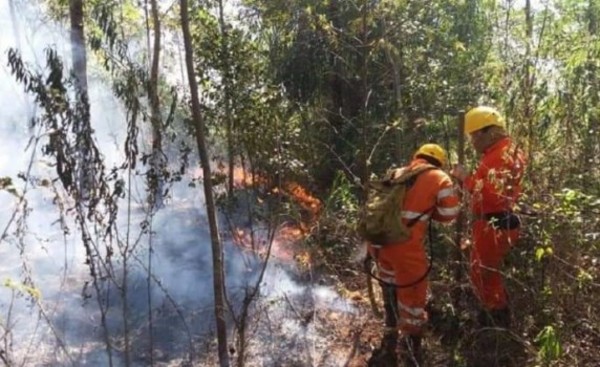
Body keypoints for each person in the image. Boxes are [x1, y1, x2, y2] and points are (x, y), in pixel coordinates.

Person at [367, 144, 460, 366]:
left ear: (416, 157)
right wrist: (429, 215)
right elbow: (450, 213)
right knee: (413, 297)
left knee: (388, 285)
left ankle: (390, 331)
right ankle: (411, 349)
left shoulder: (396, 173)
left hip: (379, 244)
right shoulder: (439, 177)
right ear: (439, 161)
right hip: (405, 248)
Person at [451, 106, 526, 328]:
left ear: (487, 132)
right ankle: (495, 316)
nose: (472, 142)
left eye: (474, 136)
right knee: (487, 273)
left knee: (484, 273)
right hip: (494, 222)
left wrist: (466, 179)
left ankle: (495, 321)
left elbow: (492, 197)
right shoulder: (502, 151)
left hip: (494, 222)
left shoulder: (500, 156)